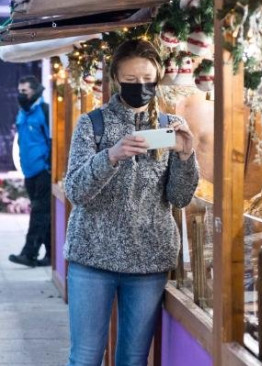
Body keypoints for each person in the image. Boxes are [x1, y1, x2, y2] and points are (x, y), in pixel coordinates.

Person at [63, 40, 198, 366]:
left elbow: (179, 198)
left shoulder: (169, 127)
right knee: (84, 358)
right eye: (131, 80)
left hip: (148, 263)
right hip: (91, 259)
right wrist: (110, 156)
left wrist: (186, 156)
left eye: (148, 80)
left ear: (159, 76)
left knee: (133, 360)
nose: (140, 88)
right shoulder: (92, 124)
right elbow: (75, 191)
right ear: (115, 79)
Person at [9, 75, 52, 267]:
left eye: (24, 91)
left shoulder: (44, 110)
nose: (21, 95)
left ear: (34, 91)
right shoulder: (22, 112)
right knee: (44, 213)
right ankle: (51, 255)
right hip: (29, 171)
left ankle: (29, 253)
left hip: (43, 171)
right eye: (19, 91)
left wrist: (49, 166)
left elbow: (53, 140)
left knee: (39, 212)